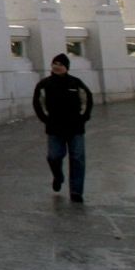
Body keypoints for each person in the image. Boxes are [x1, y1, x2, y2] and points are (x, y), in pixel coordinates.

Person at [32, 53, 94, 202]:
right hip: (55, 128)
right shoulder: (44, 84)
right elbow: (38, 103)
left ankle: (76, 192)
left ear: (66, 67)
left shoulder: (75, 83)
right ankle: (58, 176)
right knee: (54, 156)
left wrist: (82, 118)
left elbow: (87, 100)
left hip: (75, 128)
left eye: (60, 64)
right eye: (55, 63)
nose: (57, 66)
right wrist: (46, 119)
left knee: (77, 159)